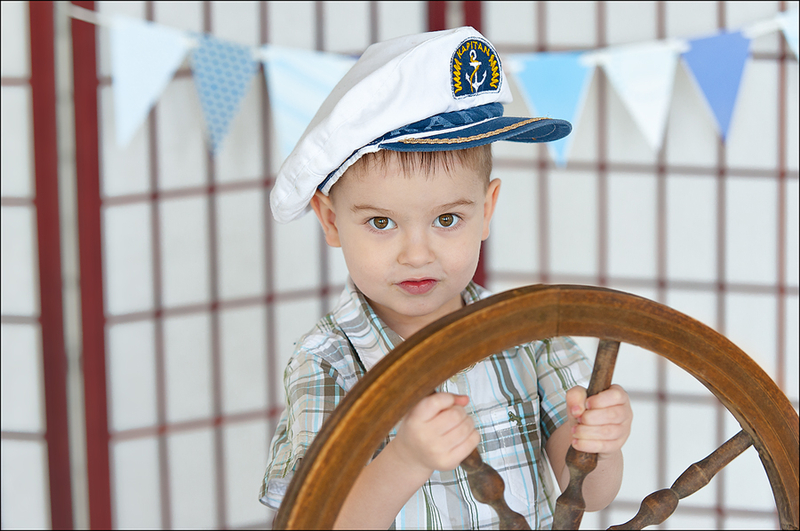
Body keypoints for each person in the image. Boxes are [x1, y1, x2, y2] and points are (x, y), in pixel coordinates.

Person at [260, 26, 632, 529]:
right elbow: (313, 520)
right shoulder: (327, 363)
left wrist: (601, 443)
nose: (417, 255)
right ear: (330, 220)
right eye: (381, 223)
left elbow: (591, 494)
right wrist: (405, 459)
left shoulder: (531, 334)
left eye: (447, 219)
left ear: (486, 209)